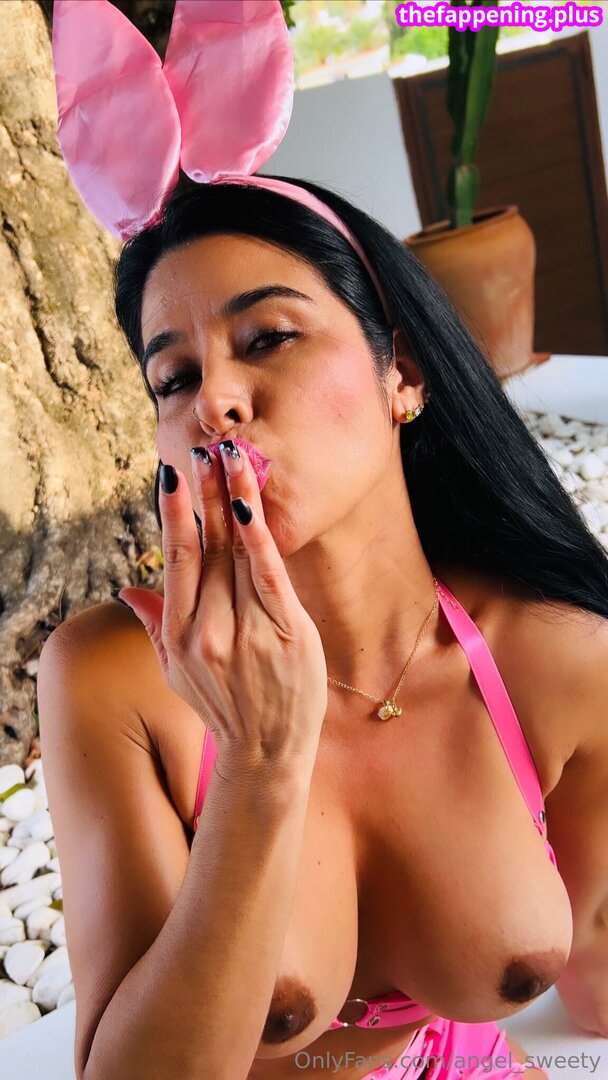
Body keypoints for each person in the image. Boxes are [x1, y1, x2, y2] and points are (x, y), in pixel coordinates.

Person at [38, 2, 608, 1078]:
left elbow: (595, 983)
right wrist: (257, 765)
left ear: (402, 372)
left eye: (267, 338)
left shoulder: (554, 655)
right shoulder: (116, 680)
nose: (215, 400)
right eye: (173, 376)